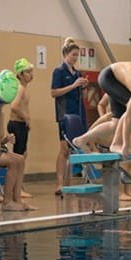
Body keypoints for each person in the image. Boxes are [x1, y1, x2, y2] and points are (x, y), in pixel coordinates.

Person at [72, 101, 131, 201]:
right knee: (124, 163)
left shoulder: (128, 118)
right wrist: (93, 150)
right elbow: (90, 132)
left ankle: (130, 191)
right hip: (108, 145)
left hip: (117, 142)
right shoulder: (107, 118)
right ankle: (120, 192)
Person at [50, 38, 88, 195]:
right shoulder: (59, 72)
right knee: (64, 149)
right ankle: (59, 184)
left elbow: (83, 96)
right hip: (64, 114)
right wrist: (73, 85)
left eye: (77, 56)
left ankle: (68, 183)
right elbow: (53, 92)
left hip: (78, 114)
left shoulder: (77, 73)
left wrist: (84, 87)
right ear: (65, 54)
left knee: (74, 149)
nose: (75, 58)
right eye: (73, 55)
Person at [8, 58, 34, 198]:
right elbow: (14, 106)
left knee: (22, 156)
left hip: (20, 125)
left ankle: (18, 186)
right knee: (19, 158)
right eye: (28, 72)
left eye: (31, 71)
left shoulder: (24, 88)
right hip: (17, 124)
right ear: (20, 74)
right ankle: (17, 189)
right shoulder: (20, 88)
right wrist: (26, 118)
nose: (31, 74)